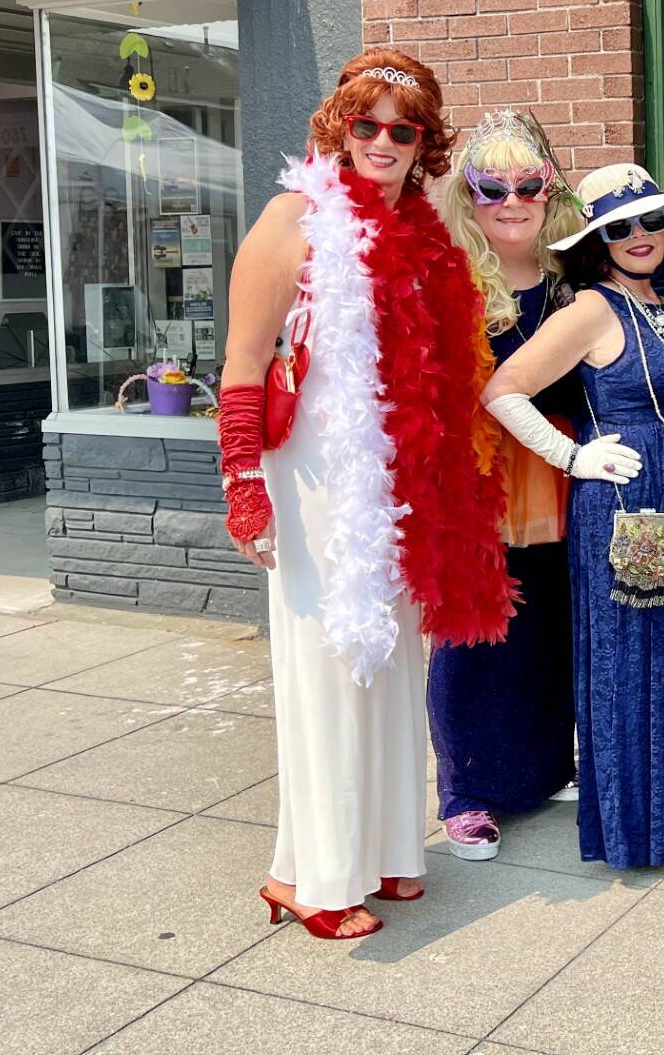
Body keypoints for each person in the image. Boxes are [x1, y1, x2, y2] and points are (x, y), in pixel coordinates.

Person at [220, 50, 512, 940]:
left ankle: (386, 850)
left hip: (397, 476)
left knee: (391, 663)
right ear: (338, 127)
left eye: (403, 128)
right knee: (324, 663)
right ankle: (310, 877)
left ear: (425, 144)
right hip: (316, 472)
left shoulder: (426, 233)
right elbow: (240, 363)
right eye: (365, 123)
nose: (382, 141)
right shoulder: (292, 220)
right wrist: (242, 486)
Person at [481, 163, 664, 869]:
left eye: (651, 220)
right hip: (628, 505)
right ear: (599, 239)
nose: (640, 235)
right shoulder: (592, 308)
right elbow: (504, 389)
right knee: (632, 661)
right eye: (620, 226)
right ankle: (634, 831)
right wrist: (571, 456)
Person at [426, 109, 584, 860]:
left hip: (562, 475)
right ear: (468, 196)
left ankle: (544, 767)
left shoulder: (570, 277)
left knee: (551, 624)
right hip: (478, 483)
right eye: (492, 188)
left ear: (549, 192)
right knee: (472, 636)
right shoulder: (448, 280)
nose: (511, 200)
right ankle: (465, 792)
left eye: (529, 185)